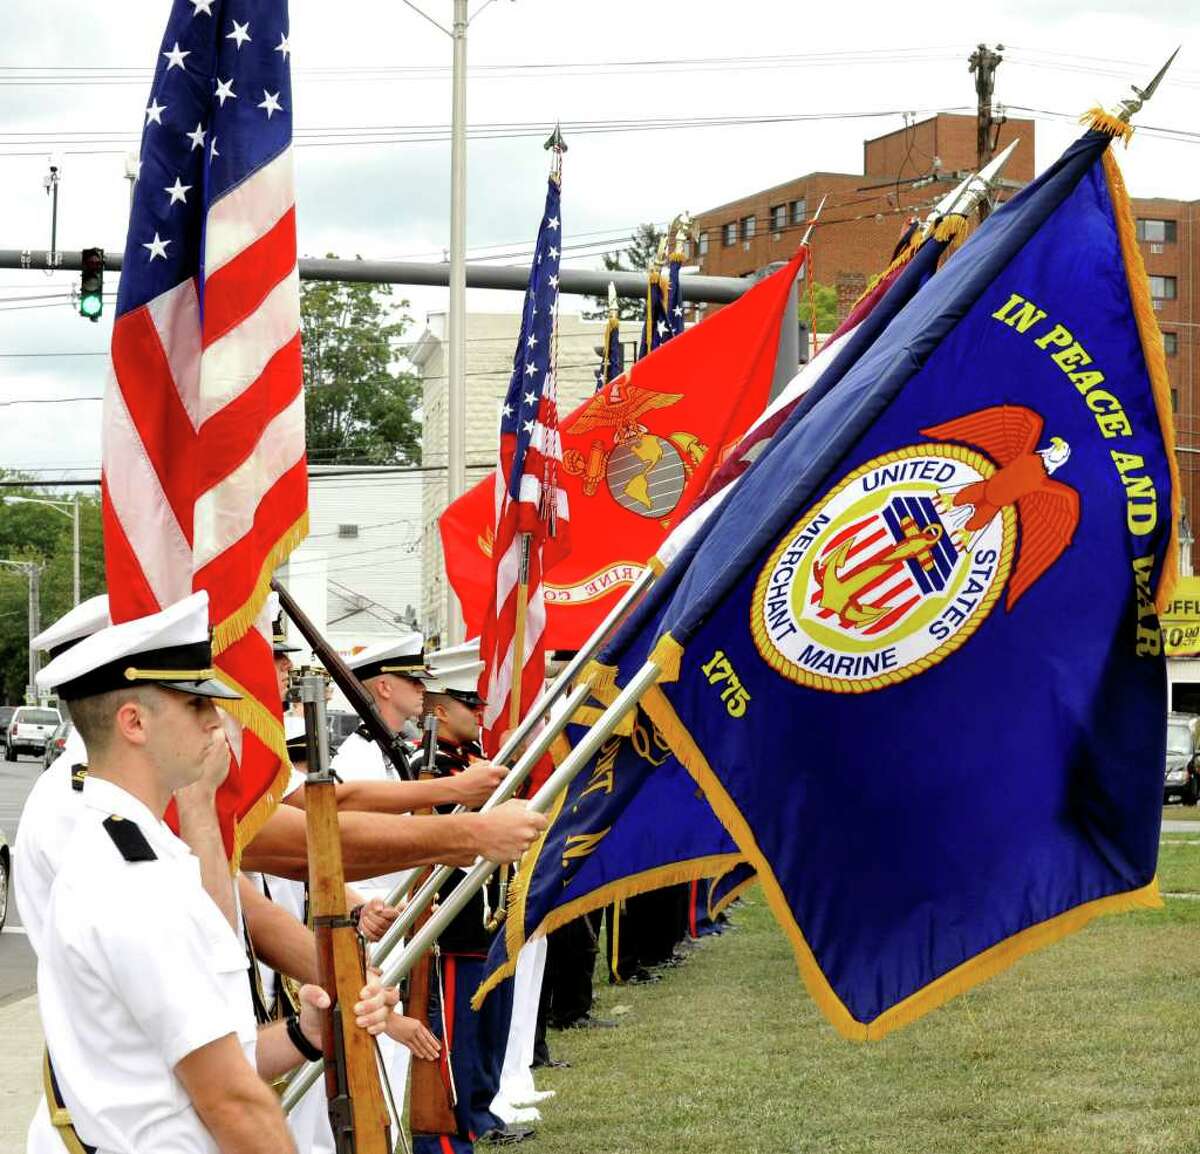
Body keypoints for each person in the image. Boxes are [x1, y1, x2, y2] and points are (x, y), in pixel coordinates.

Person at [31, 592, 397, 1153]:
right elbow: (230, 1099)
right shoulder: (130, 878)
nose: (218, 721)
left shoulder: (149, 849)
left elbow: (207, 1050)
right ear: (133, 722)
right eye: (196, 705)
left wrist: (307, 1033)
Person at [409, 653, 533, 1150]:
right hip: (458, 919)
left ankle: (482, 1110)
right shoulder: (430, 767)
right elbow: (442, 830)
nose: (478, 712)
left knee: (490, 1025)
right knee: (461, 1029)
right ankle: (459, 1120)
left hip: (491, 914)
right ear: (440, 712)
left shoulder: (471, 763)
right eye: (468, 704)